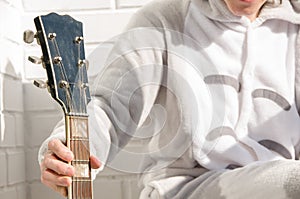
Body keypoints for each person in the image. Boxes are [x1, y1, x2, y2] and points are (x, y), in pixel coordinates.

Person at [38, 0, 300, 198]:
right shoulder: (164, 19)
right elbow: (109, 106)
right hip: (185, 188)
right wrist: (71, 150)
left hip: (278, 179)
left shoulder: (294, 28)